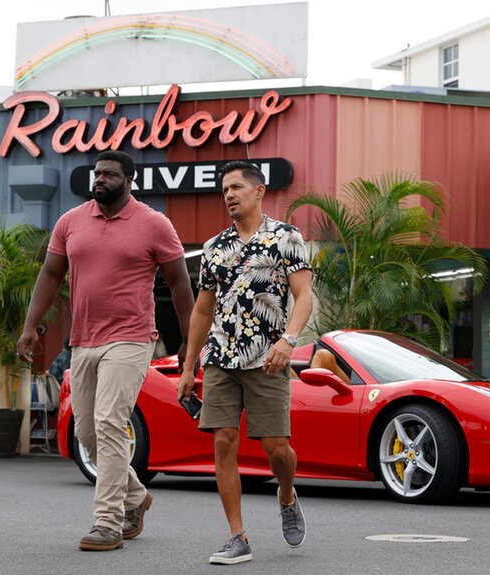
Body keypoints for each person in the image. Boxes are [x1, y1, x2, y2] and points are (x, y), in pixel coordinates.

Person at [17, 150, 195, 552]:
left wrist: (189, 340)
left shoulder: (154, 224)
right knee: (86, 431)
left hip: (131, 339)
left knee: (111, 422)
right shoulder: (71, 222)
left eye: (110, 174)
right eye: (97, 173)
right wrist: (31, 326)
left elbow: (181, 284)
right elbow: (49, 274)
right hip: (83, 340)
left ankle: (108, 521)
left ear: (128, 180)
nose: (100, 180)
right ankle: (136, 496)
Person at [176, 160, 313, 565]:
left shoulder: (286, 237)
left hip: (267, 359)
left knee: (277, 448)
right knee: (223, 441)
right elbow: (202, 311)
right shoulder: (215, 246)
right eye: (224, 190)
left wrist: (289, 340)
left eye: (236, 187)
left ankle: (286, 493)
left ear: (259, 191)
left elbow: (303, 295)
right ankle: (238, 536)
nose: (229, 195)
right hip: (220, 357)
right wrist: (188, 367)